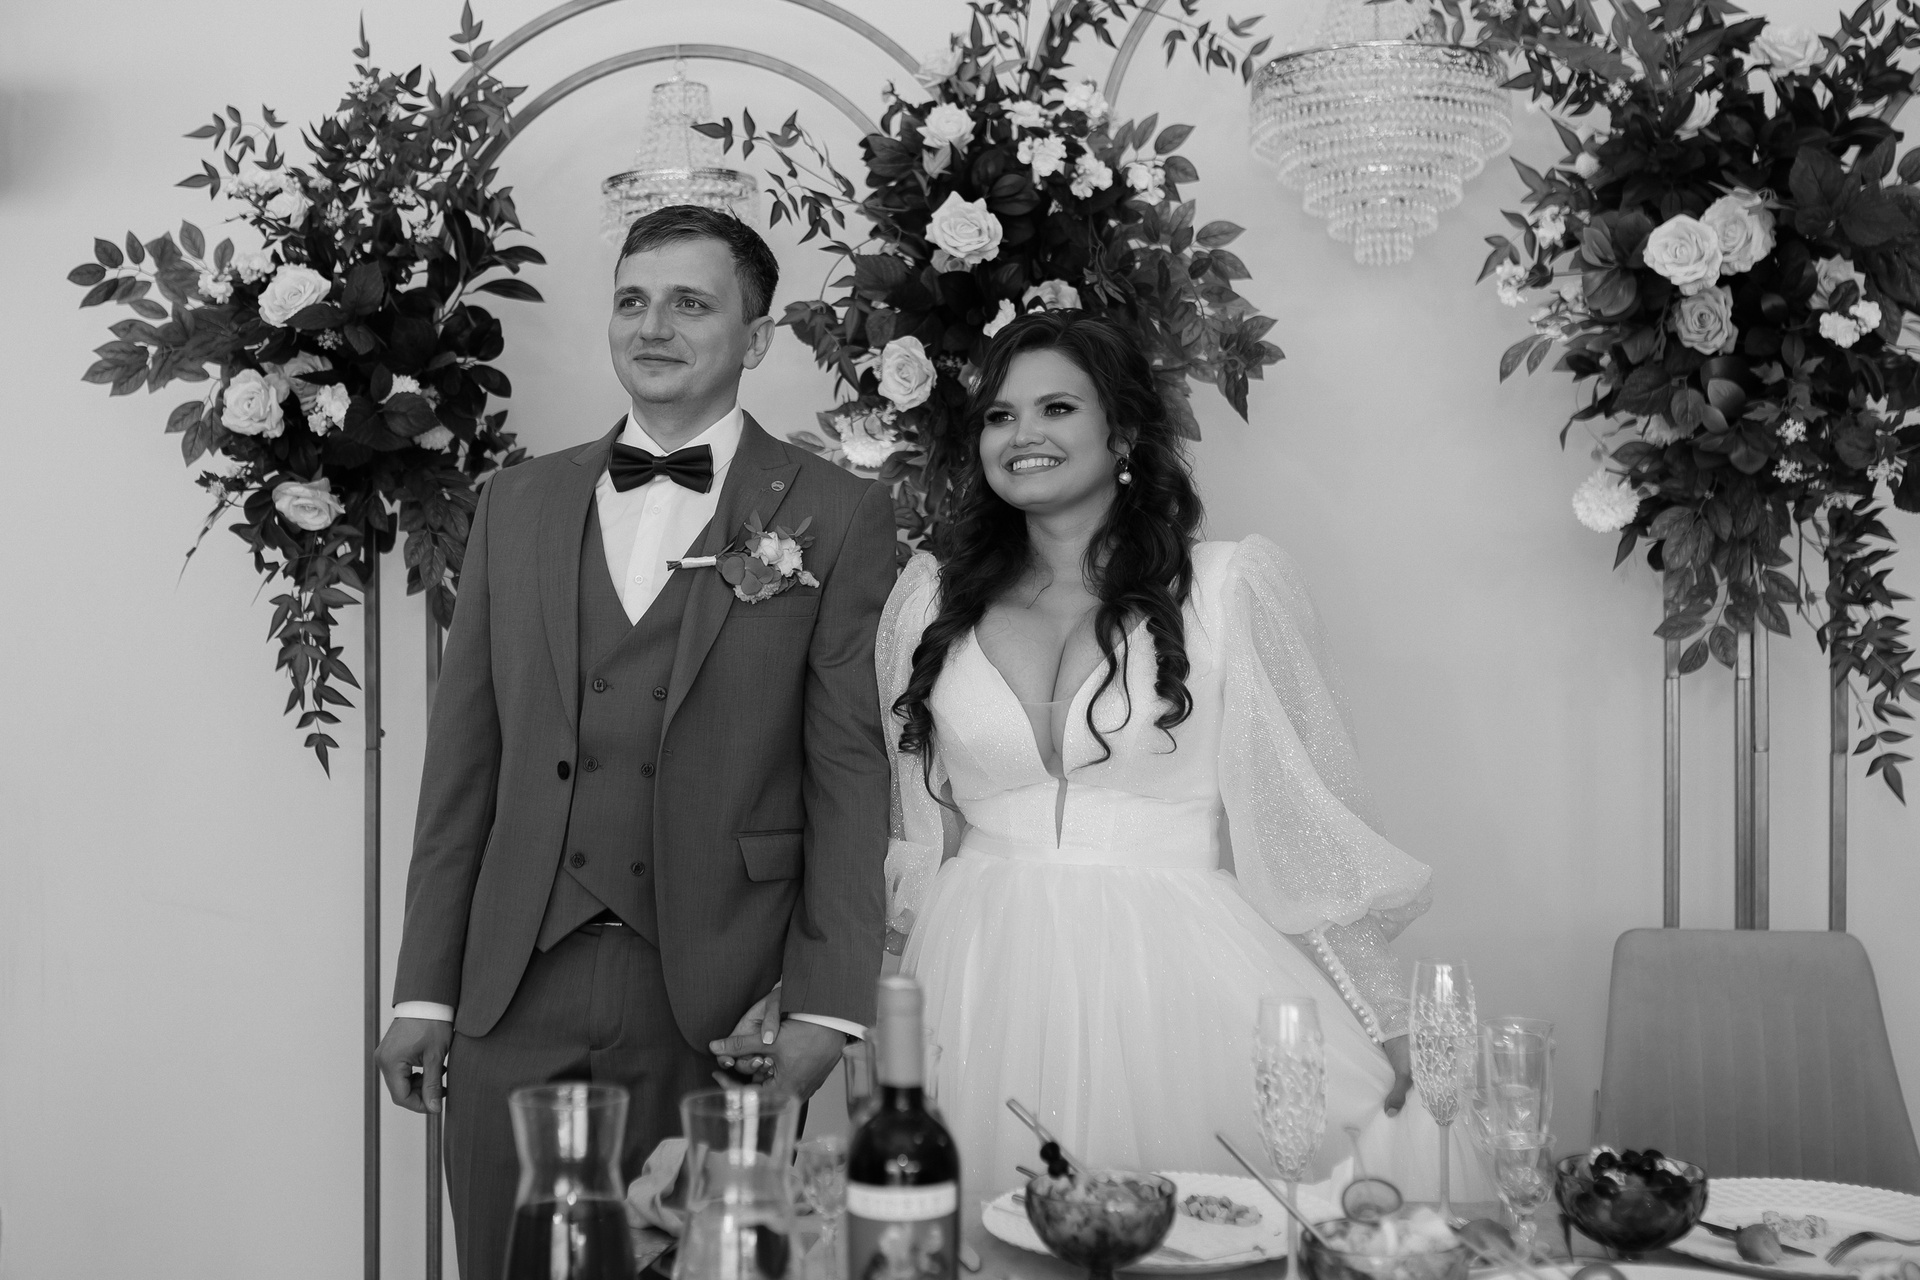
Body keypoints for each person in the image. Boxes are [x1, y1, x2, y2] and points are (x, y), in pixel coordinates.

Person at [373, 205, 896, 1280]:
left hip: (720, 995)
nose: (653, 326)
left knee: (705, 1264)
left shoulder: (838, 512)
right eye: (632, 301)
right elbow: (462, 765)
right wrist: (423, 988)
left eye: (691, 303)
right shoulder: (515, 502)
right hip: (511, 985)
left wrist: (829, 1004)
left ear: (757, 337)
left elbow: (851, 772)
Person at [877, 312, 1477, 1205]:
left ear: (1122, 431)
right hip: (973, 971)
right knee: (972, 1227)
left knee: (1207, 1222)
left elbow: (1303, 825)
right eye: (1000, 416)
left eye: (1056, 408)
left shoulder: (1230, 587)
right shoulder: (929, 599)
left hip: (1170, 972)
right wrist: (878, 1002)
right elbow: (918, 838)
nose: (1023, 434)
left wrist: (1387, 1022)